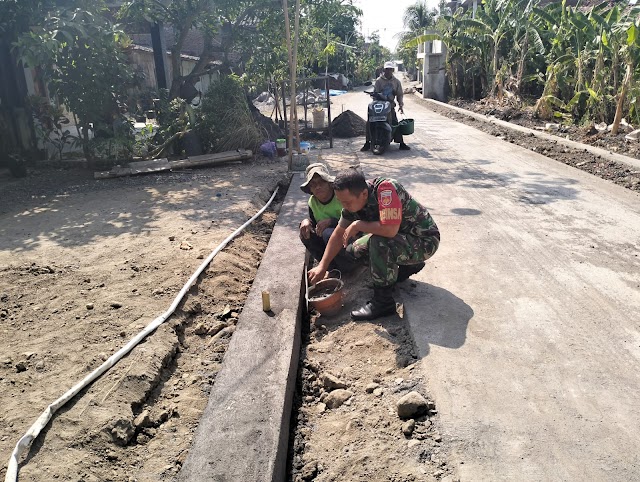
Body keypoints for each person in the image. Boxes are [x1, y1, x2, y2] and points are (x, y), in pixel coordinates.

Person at [308, 167, 440, 321]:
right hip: (402, 239)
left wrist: (358, 225)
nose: (344, 206)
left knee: (378, 241)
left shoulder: (386, 190)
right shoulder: (352, 201)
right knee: (354, 249)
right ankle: (404, 267)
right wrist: (322, 266)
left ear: (364, 194)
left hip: (424, 241)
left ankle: (383, 303)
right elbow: (338, 234)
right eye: (341, 202)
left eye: (347, 202)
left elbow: (389, 230)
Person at [299, 163, 356, 274]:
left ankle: (348, 266)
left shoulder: (340, 196)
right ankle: (330, 267)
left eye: (321, 182)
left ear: (329, 183)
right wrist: (306, 221)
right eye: (313, 184)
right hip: (329, 242)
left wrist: (331, 222)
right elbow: (315, 224)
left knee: (327, 233)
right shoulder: (312, 202)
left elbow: (355, 219)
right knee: (306, 232)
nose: (318, 187)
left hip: (349, 239)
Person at [361, 61, 410, 152]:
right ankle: (367, 142)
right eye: (386, 69)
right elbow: (375, 93)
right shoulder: (379, 81)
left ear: (392, 70)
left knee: (395, 122)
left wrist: (401, 105)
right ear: (384, 70)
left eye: (390, 69)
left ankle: (401, 143)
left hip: (390, 106)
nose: (388, 71)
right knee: (369, 122)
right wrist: (375, 95)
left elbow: (399, 94)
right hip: (379, 105)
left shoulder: (396, 82)